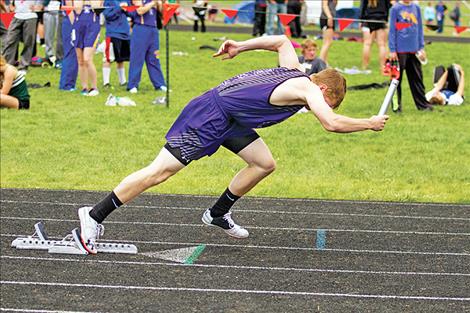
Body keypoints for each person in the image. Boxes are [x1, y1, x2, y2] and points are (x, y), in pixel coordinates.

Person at [74, 35, 389, 254]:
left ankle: (217, 212)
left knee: (264, 163)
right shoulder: (307, 88)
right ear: (321, 87)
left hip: (231, 120)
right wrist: (368, 123)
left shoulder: (295, 70)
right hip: (210, 115)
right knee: (160, 172)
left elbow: (280, 40)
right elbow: (331, 124)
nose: (325, 107)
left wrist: (240, 46)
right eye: (328, 101)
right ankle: (94, 215)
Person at [389, 0, 433, 112]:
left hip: (414, 50)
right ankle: (396, 106)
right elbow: (392, 30)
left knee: (417, 79)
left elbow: (419, 29)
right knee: (396, 80)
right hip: (400, 50)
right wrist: (392, 50)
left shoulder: (416, 8)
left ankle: (423, 105)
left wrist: (421, 47)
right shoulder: (395, 9)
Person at [127, 0, 166, 94]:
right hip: (141, 28)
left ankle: (160, 84)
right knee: (137, 58)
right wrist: (153, 3)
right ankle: (133, 85)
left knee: (154, 58)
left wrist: (160, 4)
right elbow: (139, 11)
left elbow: (162, 13)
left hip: (153, 29)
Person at [71, 0, 102, 96]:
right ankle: (84, 87)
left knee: (87, 58)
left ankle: (94, 87)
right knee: (80, 60)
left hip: (92, 26)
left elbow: (96, 7)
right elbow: (77, 9)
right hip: (78, 26)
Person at [1, 0, 43, 71]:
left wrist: (40, 6)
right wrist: (10, 5)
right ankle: (7, 65)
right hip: (17, 16)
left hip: (31, 16)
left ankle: (23, 66)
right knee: (10, 40)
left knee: (28, 43)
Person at [102, 0, 131, 89]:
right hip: (113, 33)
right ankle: (106, 82)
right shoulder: (108, 1)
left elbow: (130, 13)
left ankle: (122, 81)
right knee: (108, 59)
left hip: (125, 34)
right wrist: (119, 8)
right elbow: (107, 15)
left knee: (121, 59)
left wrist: (127, 9)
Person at [360, 0, 391, 70]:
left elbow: (362, 6)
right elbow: (388, 6)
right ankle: (382, 67)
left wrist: (361, 20)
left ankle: (364, 66)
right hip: (381, 20)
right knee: (382, 45)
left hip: (368, 20)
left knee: (367, 44)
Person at [59, 0, 78, 91]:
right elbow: (69, 8)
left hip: (75, 21)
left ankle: (71, 83)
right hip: (70, 23)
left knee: (75, 54)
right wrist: (75, 25)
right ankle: (66, 84)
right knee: (71, 53)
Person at [43, 0, 62, 65]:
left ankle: (59, 58)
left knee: (60, 37)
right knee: (48, 35)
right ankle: (49, 56)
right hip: (47, 10)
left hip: (60, 10)